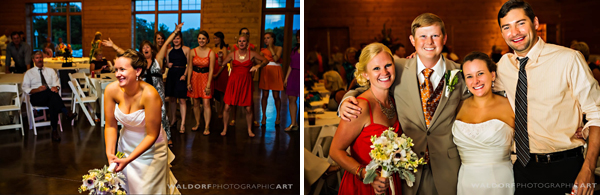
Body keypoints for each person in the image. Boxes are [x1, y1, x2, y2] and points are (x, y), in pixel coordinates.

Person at [339, 13, 465, 195]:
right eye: (422, 36)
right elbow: (370, 85)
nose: (429, 42)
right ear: (412, 40)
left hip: (447, 167)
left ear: (444, 38)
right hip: (406, 169)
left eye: (435, 35)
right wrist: (346, 99)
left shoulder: (459, 73)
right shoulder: (396, 67)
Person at [495, 1, 600, 194]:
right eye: (507, 27)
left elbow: (597, 114)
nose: (514, 32)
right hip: (521, 169)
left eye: (520, 23)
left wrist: (588, 168)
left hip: (566, 167)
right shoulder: (503, 66)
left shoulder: (569, 59)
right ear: (502, 33)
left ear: (535, 23)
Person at [103, 49, 179, 194]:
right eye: (116, 69)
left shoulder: (150, 94)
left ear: (137, 71)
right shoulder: (111, 90)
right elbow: (110, 125)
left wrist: (129, 159)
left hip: (151, 152)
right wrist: (110, 154)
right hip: (124, 147)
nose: (117, 74)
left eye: (122, 69)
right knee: (126, 189)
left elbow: (152, 134)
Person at [330, 43, 402, 195]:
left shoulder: (395, 101)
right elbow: (335, 151)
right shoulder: (359, 106)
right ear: (365, 74)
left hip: (392, 182)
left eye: (388, 65)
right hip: (364, 185)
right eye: (376, 68)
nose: (384, 72)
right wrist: (365, 174)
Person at [103, 23, 181, 148]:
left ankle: (167, 137)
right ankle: (145, 136)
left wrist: (175, 32)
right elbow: (125, 55)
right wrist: (113, 46)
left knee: (162, 113)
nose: (146, 48)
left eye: (148, 47)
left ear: (151, 48)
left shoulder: (158, 59)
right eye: (143, 47)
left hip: (157, 89)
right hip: (141, 90)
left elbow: (166, 44)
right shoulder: (138, 64)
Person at [453, 52, 515, 194]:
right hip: (466, 182)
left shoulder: (511, 106)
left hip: (499, 183)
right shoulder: (457, 106)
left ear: (492, 75)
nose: (476, 81)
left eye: (480, 74)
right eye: (469, 76)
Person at [22, 51, 77, 142]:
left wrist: (56, 87)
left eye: (40, 57)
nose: (39, 60)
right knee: (52, 95)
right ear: (33, 60)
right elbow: (25, 88)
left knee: (52, 101)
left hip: (50, 96)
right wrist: (37, 90)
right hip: (36, 97)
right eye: (37, 58)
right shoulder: (29, 73)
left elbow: (57, 83)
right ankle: (66, 112)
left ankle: (55, 131)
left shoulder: (50, 71)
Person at [220, 34, 267, 137]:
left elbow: (265, 60)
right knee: (227, 107)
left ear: (247, 43)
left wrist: (258, 66)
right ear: (237, 43)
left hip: (246, 82)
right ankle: (225, 128)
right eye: (240, 41)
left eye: (244, 41)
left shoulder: (252, 54)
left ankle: (250, 130)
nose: (241, 43)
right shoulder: (232, 54)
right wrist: (220, 58)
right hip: (233, 82)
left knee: (248, 108)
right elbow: (222, 64)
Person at [187, 30, 214, 135]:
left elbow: (211, 69)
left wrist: (208, 85)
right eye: (199, 38)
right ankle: (197, 123)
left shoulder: (210, 52)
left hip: (205, 78)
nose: (201, 40)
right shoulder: (193, 51)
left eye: (203, 38)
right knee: (196, 103)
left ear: (207, 40)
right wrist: (188, 82)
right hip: (195, 78)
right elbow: (190, 67)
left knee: (206, 103)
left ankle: (207, 126)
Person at [166, 29, 190, 134]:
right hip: (171, 74)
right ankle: (173, 119)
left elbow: (189, 64)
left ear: (181, 39)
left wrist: (185, 75)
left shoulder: (186, 49)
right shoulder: (169, 50)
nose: (176, 40)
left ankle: (183, 123)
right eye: (174, 38)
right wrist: (168, 65)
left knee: (182, 100)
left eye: (178, 38)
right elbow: (166, 63)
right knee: (172, 99)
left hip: (181, 75)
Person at [259, 32, 284, 126]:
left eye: (268, 38)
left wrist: (270, 49)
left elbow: (276, 58)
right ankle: (264, 116)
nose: (266, 40)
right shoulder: (262, 51)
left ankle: (278, 115)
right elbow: (259, 60)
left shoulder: (279, 48)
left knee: (276, 96)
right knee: (264, 95)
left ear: (273, 39)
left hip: (276, 71)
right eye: (265, 38)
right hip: (266, 72)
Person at [284, 31, 300, 131]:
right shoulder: (294, 49)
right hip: (293, 74)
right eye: (297, 36)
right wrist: (286, 78)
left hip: (300, 74)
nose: (298, 37)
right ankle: (293, 123)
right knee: (291, 98)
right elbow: (291, 64)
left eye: (300, 36)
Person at [212, 32, 230, 119]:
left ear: (220, 38)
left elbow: (225, 62)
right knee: (212, 90)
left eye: (216, 38)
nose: (215, 39)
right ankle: (211, 109)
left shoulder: (224, 49)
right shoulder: (212, 49)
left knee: (221, 92)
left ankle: (221, 110)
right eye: (214, 38)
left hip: (222, 71)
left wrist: (217, 74)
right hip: (213, 69)